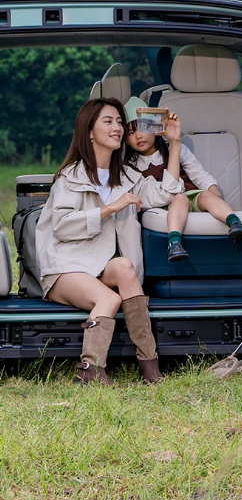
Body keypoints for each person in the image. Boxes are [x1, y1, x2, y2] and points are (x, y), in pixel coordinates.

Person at [36, 98, 185, 385]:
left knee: (125, 267)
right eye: (108, 121)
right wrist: (110, 208)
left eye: (119, 121)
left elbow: (167, 193)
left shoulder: (127, 177)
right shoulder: (70, 177)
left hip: (98, 265)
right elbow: (63, 226)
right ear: (89, 131)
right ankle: (89, 369)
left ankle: (150, 366)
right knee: (109, 298)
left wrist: (175, 143)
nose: (117, 127)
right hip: (65, 267)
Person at [122, 96, 242, 262]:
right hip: (163, 204)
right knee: (180, 199)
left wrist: (213, 189)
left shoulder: (174, 149)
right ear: (126, 140)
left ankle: (235, 223)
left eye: (143, 128)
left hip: (189, 195)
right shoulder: (131, 165)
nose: (138, 136)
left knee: (205, 195)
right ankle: (174, 242)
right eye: (131, 133)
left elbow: (197, 172)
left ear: (156, 127)